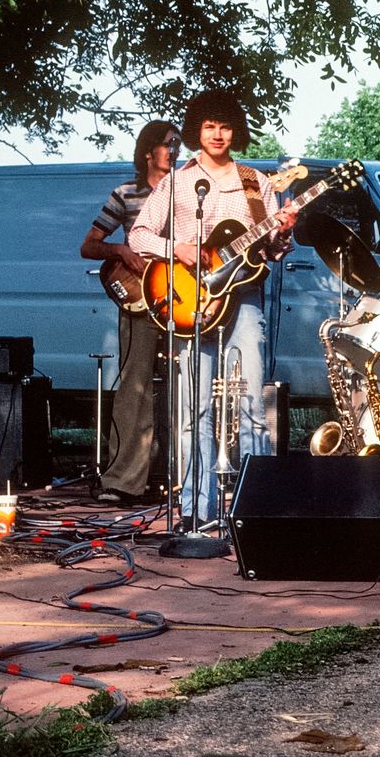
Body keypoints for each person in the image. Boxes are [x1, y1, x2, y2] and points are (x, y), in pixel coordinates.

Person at [128, 89, 295, 528]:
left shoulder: (256, 182)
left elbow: (272, 252)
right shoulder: (177, 181)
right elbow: (138, 236)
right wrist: (178, 248)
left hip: (244, 300)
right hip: (190, 301)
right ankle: (194, 510)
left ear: (235, 131)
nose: (218, 134)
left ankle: (257, 511)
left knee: (253, 405)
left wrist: (282, 232)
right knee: (194, 410)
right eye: (209, 126)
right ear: (196, 131)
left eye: (224, 126)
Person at [80, 120, 179, 504]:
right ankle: (122, 481)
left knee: (187, 386)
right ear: (148, 152)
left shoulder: (186, 192)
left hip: (184, 299)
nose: (174, 151)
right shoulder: (125, 194)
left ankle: (186, 481)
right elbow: (89, 245)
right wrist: (120, 250)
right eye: (168, 144)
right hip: (140, 299)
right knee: (134, 388)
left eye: (178, 144)